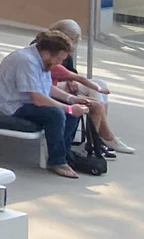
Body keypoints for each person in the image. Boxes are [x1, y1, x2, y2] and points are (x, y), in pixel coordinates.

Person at [0, 31, 86, 178]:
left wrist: (71, 99)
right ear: (47, 53)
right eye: (59, 59)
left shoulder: (41, 61)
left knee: (69, 111)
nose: (60, 64)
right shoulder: (26, 61)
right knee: (56, 114)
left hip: (24, 101)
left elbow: (46, 88)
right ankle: (57, 161)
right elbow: (38, 98)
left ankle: (64, 152)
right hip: (9, 105)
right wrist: (69, 108)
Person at [42, 23, 130, 156]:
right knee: (94, 96)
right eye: (74, 40)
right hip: (50, 85)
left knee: (99, 84)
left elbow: (70, 71)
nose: (74, 44)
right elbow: (61, 72)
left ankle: (99, 134)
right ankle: (101, 138)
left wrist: (71, 79)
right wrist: (94, 87)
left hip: (59, 82)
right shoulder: (49, 49)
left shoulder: (62, 50)